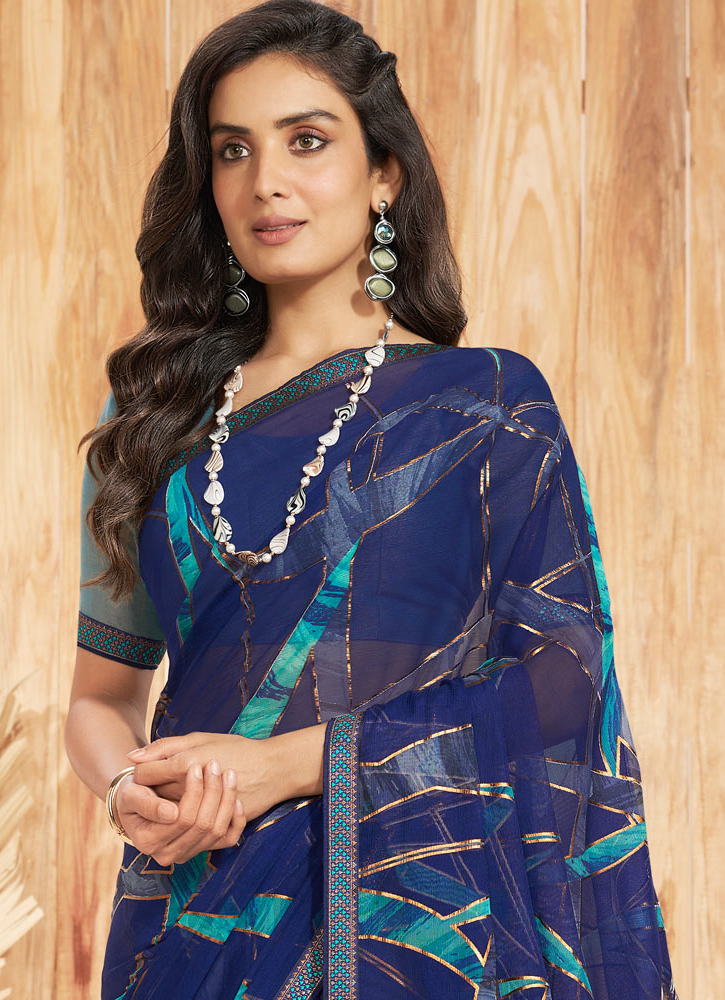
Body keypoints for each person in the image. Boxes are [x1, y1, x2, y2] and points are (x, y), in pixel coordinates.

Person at [64, 1, 678, 997]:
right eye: (232, 150)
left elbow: (564, 678)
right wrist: (128, 787)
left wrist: (291, 765)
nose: (266, 181)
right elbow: (99, 699)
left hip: (421, 927)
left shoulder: (483, 404)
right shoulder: (151, 417)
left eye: (306, 141)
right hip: (198, 914)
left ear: (383, 171)